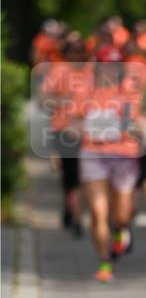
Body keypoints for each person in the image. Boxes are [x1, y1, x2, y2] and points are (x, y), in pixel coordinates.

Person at [77, 46, 144, 282]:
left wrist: (140, 129)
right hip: (93, 152)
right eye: (106, 65)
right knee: (97, 211)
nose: (110, 70)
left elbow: (139, 122)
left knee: (123, 214)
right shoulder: (85, 89)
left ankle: (119, 231)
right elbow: (72, 118)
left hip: (123, 155)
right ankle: (104, 262)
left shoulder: (130, 91)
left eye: (115, 66)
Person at [39, 32, 91, 236]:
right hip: (64, 130)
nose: (76, 55)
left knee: (83, 176)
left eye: (80, 50)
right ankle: (71, 210)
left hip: (89, 132)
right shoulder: (59, 70)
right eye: (72, 51)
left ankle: (77, 215)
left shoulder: (92, 71)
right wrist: (62, 102)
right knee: (71, 176)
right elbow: (43, 99)